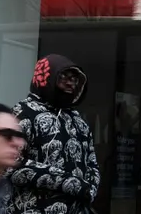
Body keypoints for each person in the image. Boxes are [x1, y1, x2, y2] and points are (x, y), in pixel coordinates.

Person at [6, 54, 100, 214]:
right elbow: (9, 165)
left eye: (75, 79)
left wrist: (91, 188)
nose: (71, 82)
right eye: (64, 76)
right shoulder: (24, 112)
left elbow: (92, 163)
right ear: (46, 77)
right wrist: (67, 182)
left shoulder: (78, 121)